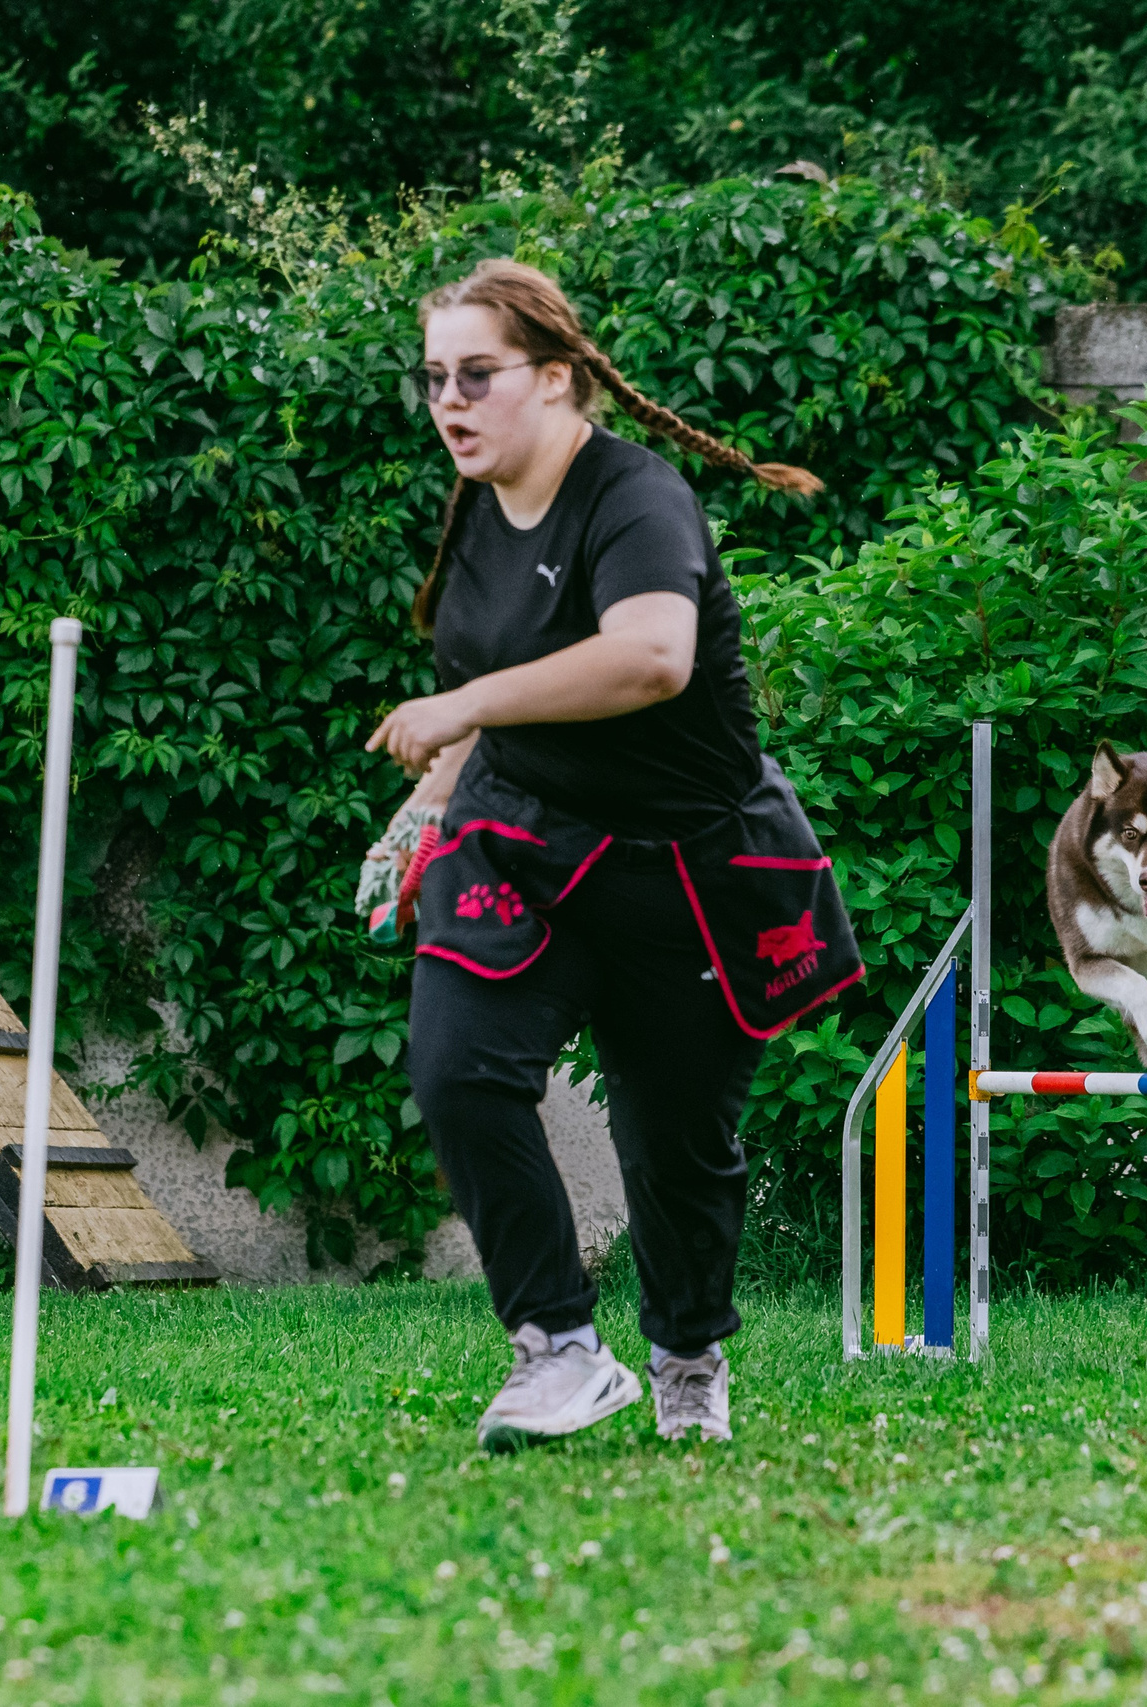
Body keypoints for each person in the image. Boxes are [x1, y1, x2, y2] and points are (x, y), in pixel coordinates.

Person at [369, 258, 861, 1454]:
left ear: (554, 376)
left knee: (674, 1143)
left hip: (687, 868)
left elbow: (651, 660)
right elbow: (496, 709)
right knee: (456, 1066)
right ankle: (556, 1349)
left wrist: (459, 706)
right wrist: (423, 808)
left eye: (475, 375)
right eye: (434, 378)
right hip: (523, 837)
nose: (450, 402)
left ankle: (686, 1354)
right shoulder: (479, 511)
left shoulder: (636, 499)